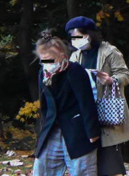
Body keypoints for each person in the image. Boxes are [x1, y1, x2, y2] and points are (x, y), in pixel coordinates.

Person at [66, 16, 129, 176]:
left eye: (78, 36)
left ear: (88, 34)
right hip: (84, 110)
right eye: (72, 37)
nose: (75, 40)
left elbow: (125, 75)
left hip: (105, 108)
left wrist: (111, 80)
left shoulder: (109, 51)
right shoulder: (76, 56)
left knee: (107, 155)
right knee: (87, 157)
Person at [33, 30, 101, 176]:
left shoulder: (75, 71)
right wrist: (45, 128)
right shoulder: (42, 73)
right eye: (43, 60)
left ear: (62, 56)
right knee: (42, 166)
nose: (46, 64)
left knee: (81, 169)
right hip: (53, 128)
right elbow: (44, 104)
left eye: (50, 59)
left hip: (77, 129)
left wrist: (92, 132)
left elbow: (86, 102)